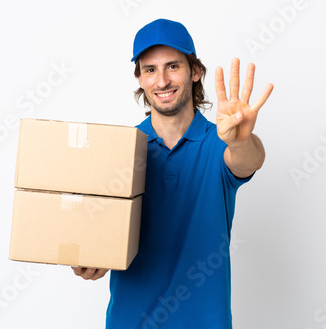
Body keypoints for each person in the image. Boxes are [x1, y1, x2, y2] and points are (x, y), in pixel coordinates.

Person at [72, 18, 273, 328]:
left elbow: (248, 161)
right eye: (150, 69)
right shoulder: (120, 149)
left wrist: (241, 139)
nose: (162, 80)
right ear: (139, 78)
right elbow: (101, 235)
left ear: (195, 72)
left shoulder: (219, 144)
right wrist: (91, 259)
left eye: (173, 66)